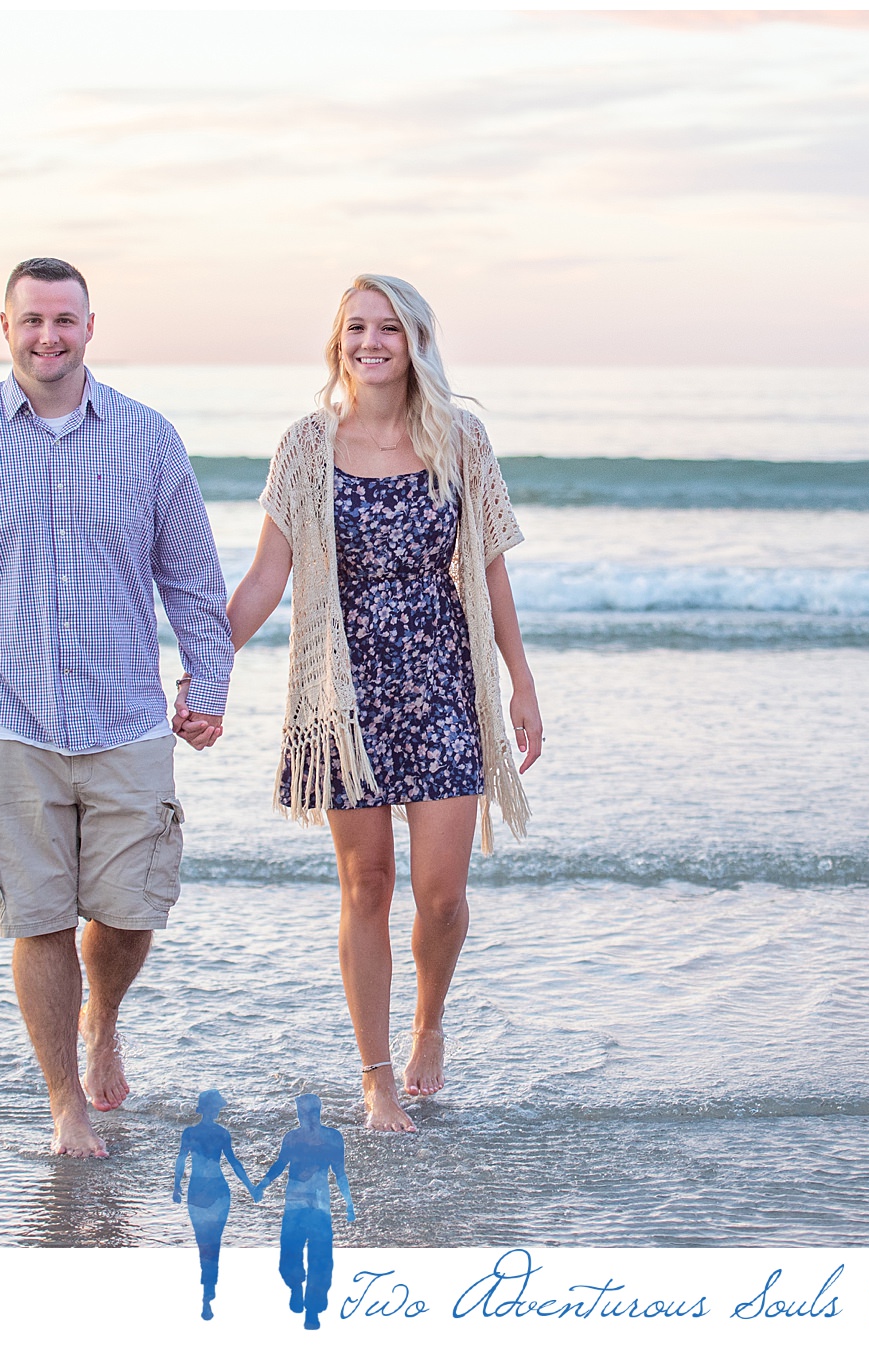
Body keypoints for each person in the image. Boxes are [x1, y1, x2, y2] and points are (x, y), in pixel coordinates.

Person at [0, 257, 232, 1158]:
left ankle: (102, 1018)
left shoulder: (148, 439)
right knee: (35, 918)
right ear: (4, 327)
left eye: (65, 320)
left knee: (130, 912)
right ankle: (64, 1103)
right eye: (32, 319)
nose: (49, 335)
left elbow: (191, 578)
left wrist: (211, 682)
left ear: (89, 326)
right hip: (6, 719)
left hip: (126, 716)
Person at [226, 274, 543, 1131]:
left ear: (415, 342)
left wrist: (520, 682)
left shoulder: (461, 440)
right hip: (344, 694)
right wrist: (206, 662)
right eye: (357, 328)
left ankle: (428, 1023)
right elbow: (266, 577)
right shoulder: (304, 446)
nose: (372, 343)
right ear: (340, 343)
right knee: (366, 885)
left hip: (444, 683)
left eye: (389, 329)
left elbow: (489, 567)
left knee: (440, 895)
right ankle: (375, 1077)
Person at [253, 1093, 357, 1329]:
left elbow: (340, 1173)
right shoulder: (292, 1139)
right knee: (291, 1256)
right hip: (296, 1206)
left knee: (320, 1260)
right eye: (302, 1113)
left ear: (316, 1113)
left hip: (318, 1208)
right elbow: (280, 1165)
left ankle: (312, 1310)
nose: (304, 1117)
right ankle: (296, 1287)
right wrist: (262, 1185)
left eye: (307, 1113)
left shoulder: (333, 1138)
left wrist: (349, 1204)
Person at [174, 1089, 256, 1319]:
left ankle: (207, 1289)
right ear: (210, 1108)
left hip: (201, 1190)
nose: (218, 1110)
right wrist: (251, 1188)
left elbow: (182, 1160)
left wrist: (176, 1187)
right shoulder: (221, 1133)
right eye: (217, 1106)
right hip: (216, 1190)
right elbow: (234, 1163)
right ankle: (209, 1289)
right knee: (211, 1242)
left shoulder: (192, 1133)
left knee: (205, 1242)